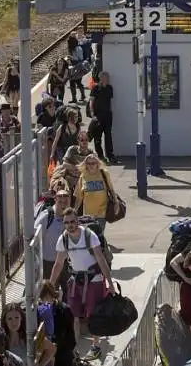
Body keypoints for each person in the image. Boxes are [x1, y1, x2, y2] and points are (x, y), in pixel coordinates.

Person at [49, 208, 116, 360]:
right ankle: (74, 348)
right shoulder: (63, 239)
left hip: (94, 280)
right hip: (76, 280)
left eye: (73, 221)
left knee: (93, 315)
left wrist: (110, 283)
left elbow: (100, 259)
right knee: (73, 315)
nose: (70, 225)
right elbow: (58, 263)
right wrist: (51, 285)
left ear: (77, 221)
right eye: (67, 223)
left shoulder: (89, 236)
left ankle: (96, 345)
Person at [73, 154, 119, 234]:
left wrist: (116, 203)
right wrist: (75, 210)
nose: (91, 165)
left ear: (97, 164)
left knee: (99, 234)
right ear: (85, 164)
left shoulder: (104, 173)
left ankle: (102, 245)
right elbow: (79, 197)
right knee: (89, 236)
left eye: (93, 163)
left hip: (101, 212)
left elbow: (111, 190)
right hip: (87, 214)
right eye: (88, 163)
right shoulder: (83, 176)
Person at [89, 71, 116, 164]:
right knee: (98, 137)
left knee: (108, 136)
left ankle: (110, 155)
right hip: (98, 115)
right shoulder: (95, 88)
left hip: (108, 115)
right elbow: (91, 101)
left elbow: (110, 102)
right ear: (101, 78)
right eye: (104, 77)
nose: (106, 79)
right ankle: (100, 156)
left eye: (107, 77)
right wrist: (92, 114)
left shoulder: (110, 88)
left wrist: (110, 112)